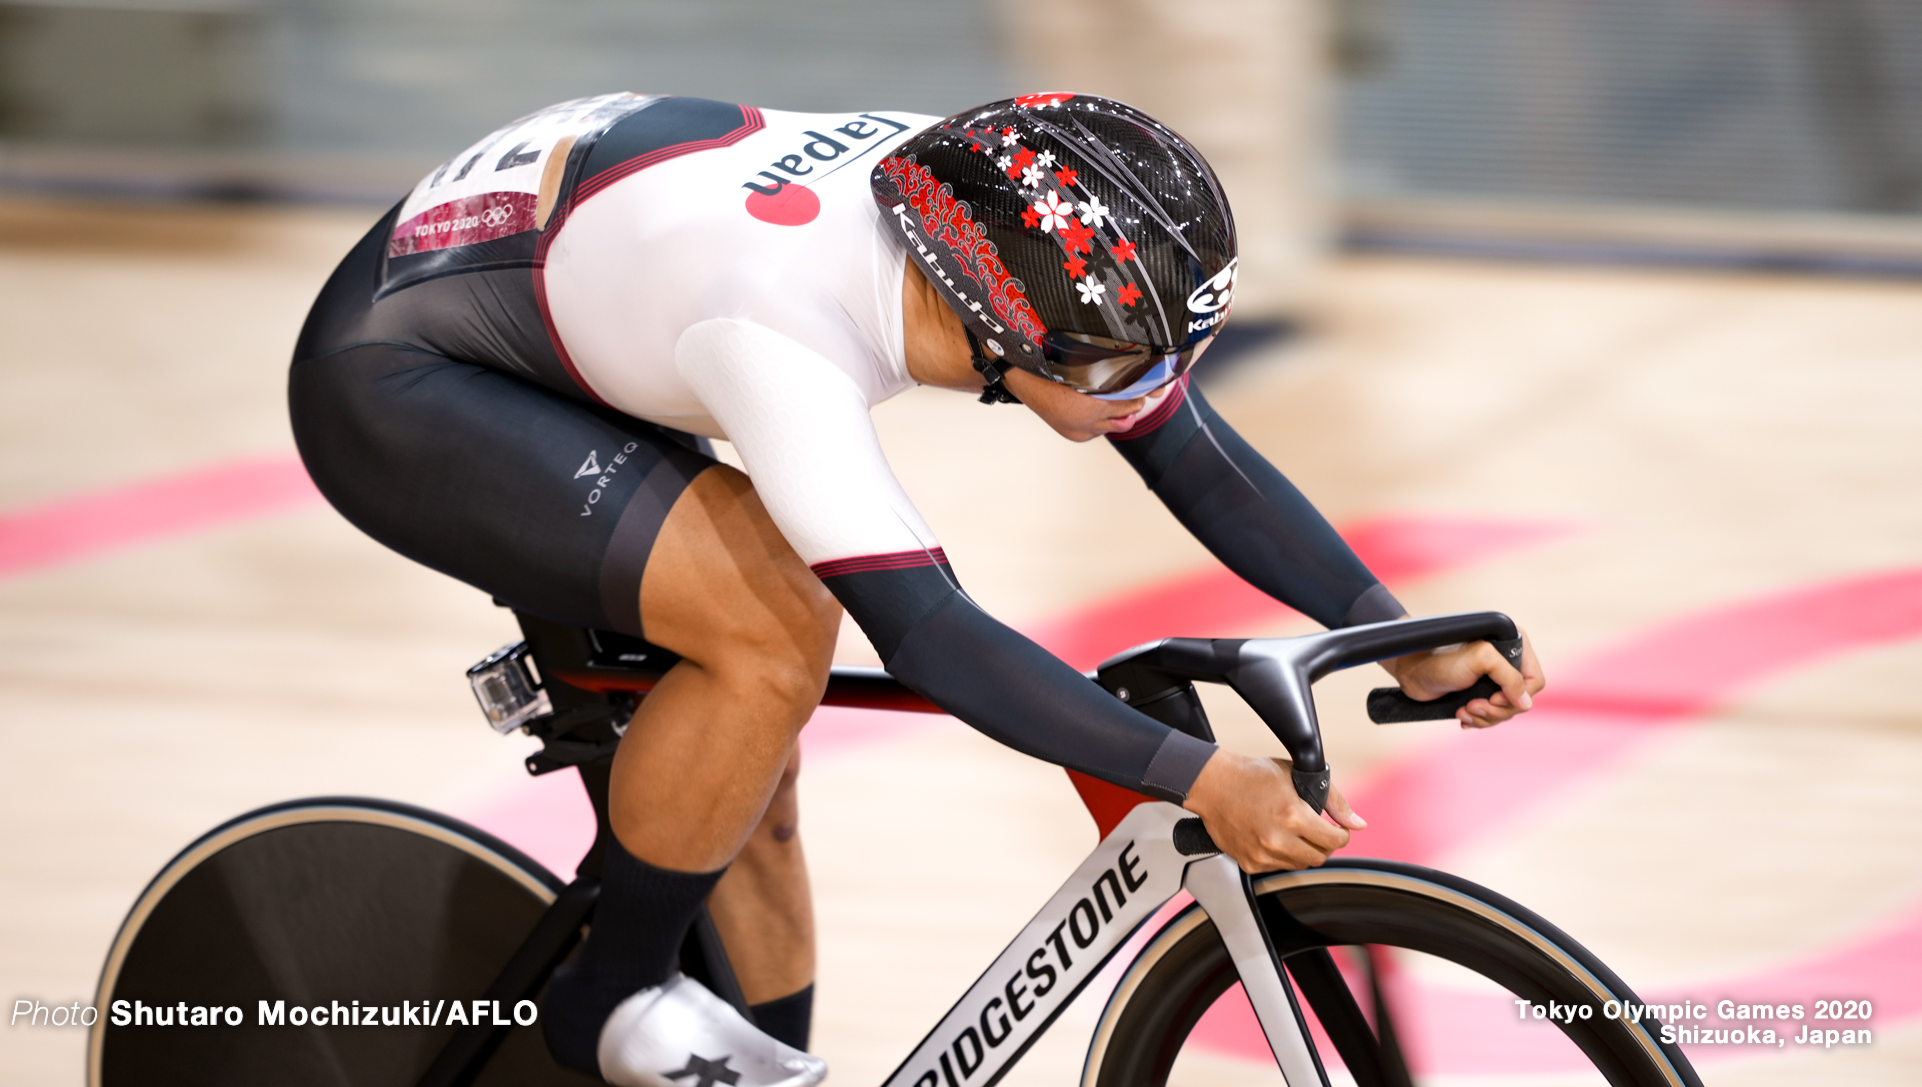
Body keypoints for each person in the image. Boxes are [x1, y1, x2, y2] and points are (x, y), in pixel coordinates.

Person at [287, 92, 1545, 1087]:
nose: (1144, 395)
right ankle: (608, 996)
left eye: (1175, 352)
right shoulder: (782, 327)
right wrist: (1199, 776)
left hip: (585, 276)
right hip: (410, 375)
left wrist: (1393, 636)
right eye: (1116, 369)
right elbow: (932, 631)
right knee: (774, 630)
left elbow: (1199, 463)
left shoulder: (1000, 219)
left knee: (750, 775)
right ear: (995, 327)